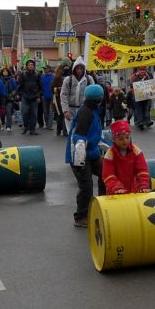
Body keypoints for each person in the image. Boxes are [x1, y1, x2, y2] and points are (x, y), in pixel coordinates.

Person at [66, 83, 107, 227]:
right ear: (99, 98)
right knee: (86, 185)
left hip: (92, 152)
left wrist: (111, 147)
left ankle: (104, 204)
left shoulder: (94, 110)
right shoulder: (86, 112)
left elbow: (98, 135)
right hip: (79, 155)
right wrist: (79, 159)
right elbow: (78, 136)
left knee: (106, 173)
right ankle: (81, 217)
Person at [102, 120, 151, 195]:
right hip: (115, 193)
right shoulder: (110, 155)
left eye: (127, 137)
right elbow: (108, 175)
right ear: (114, 139)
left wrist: (143, 185)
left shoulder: (136, 151)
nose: (125, 141)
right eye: (121, 139)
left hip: (133, 192)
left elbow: (142, 170)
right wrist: (116, 187)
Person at [60, 57, 95, 135]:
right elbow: (64, 95)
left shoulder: (89, 79)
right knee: (72, 133)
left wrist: (92, 110)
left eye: (81, 68)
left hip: (84, 110)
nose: (79, 70)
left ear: (84, 69)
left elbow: (93, 96)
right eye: (77, 68)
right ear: (74, 69)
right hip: (71, 110)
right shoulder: (68, 80)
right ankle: (72, 147)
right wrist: (66, 110)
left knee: (83, 133)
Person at [17, 59, 42, 135]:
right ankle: (26, 126)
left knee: (34, 114)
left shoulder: (37, 75)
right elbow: (20, 85)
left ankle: (32, 129)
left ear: (34, 66)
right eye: (29, 65)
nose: (30, 66)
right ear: (27, 66)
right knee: (24, 112)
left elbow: (40, 87)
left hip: (34, 97)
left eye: (32, 65)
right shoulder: (23, 75)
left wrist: (38, 96)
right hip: (25, 96)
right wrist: (19, 94)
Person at [41, 64, 56, 130]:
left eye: (46, 68)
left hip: (52, 96)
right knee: (45, 111)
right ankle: (47, 123)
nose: (45, 69)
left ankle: (50, 125)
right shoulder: (42, 77)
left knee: (51, 111)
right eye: (44, 68)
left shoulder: (53, 77)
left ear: (49, 69)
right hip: (44, 96)